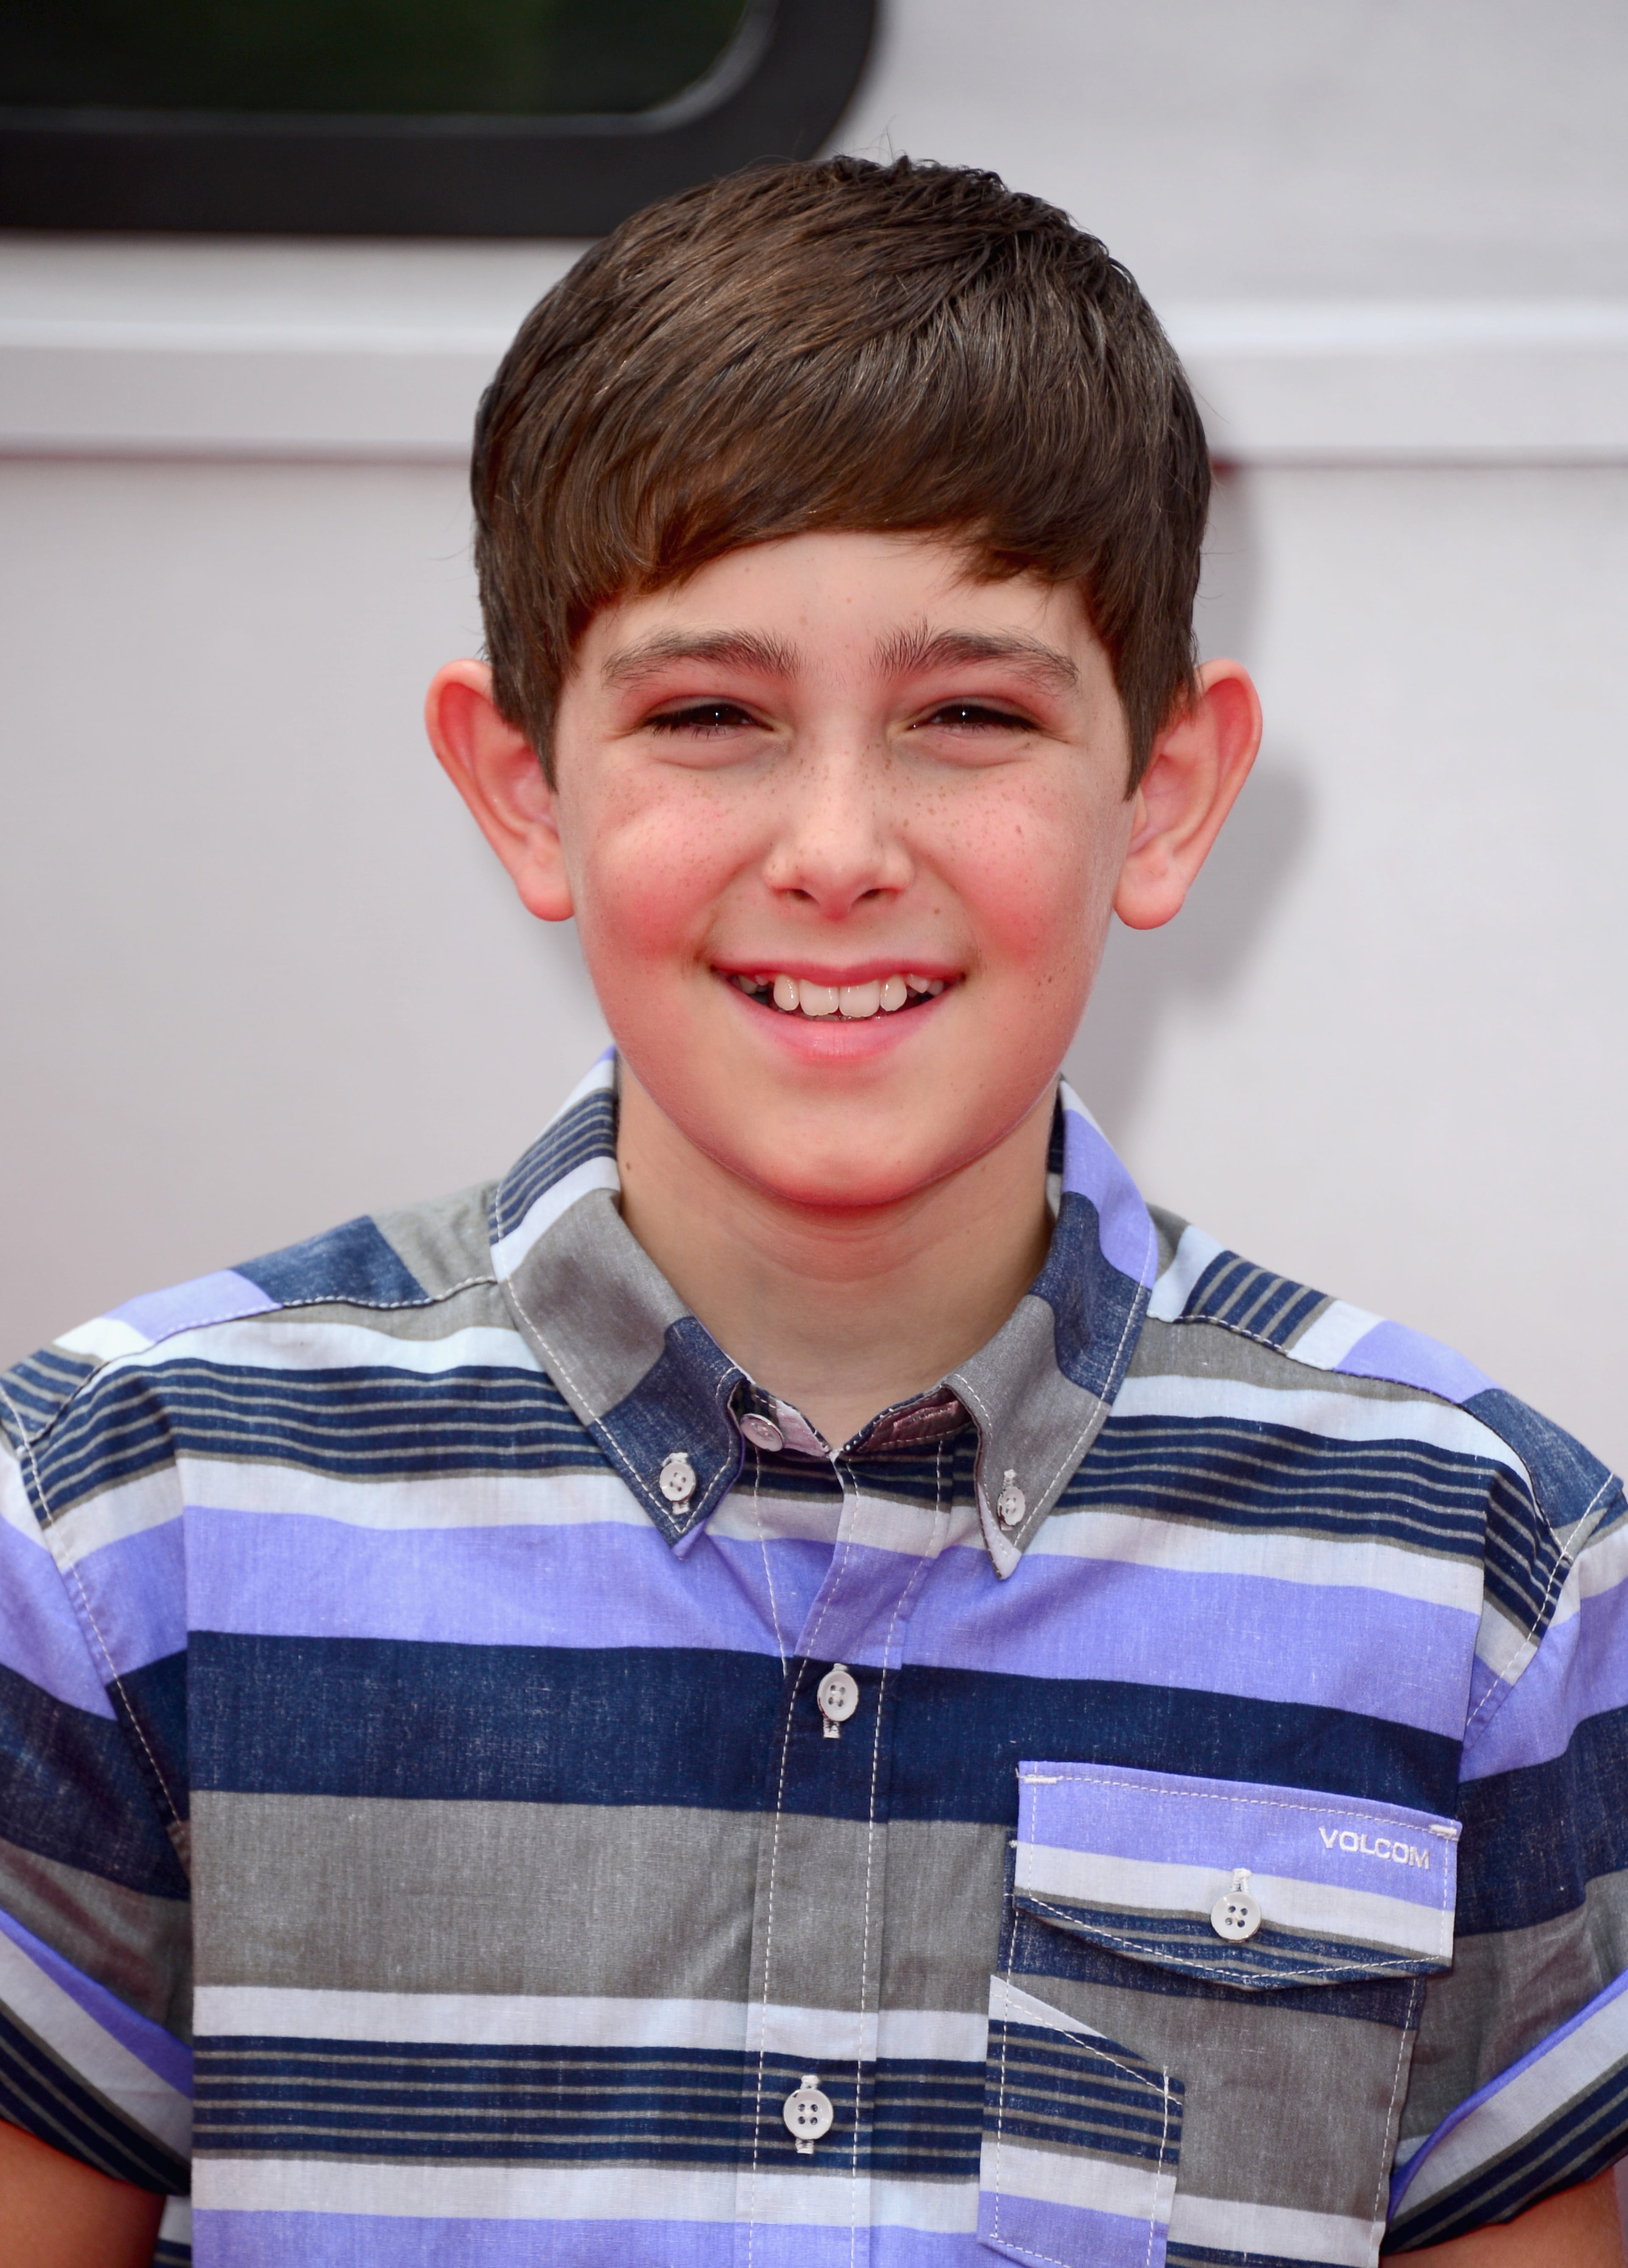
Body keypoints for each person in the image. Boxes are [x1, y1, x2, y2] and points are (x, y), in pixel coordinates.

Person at [0, 156, 1622, 2268]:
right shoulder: (126, 1526)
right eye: (708, 717)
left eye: (971, 713)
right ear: (521, 788)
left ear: (1164, 791)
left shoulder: (1485, 1574)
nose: (841, 845)